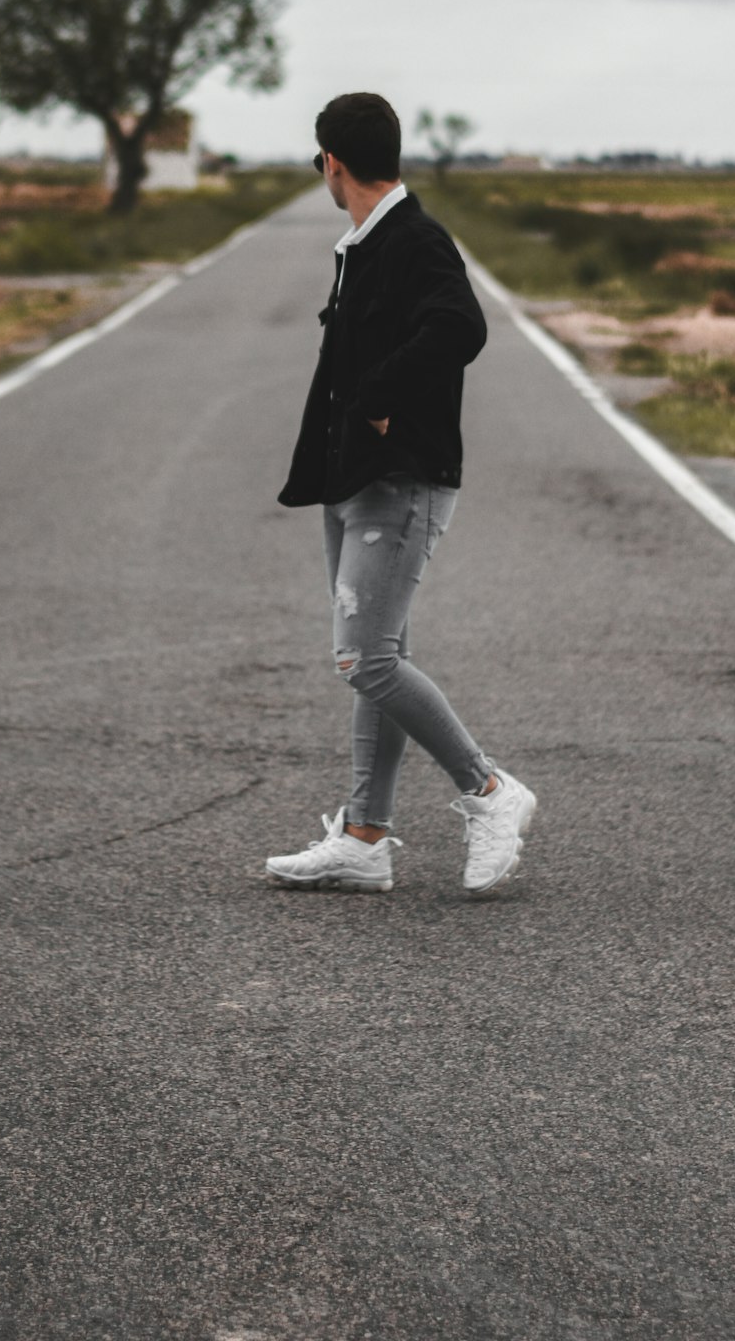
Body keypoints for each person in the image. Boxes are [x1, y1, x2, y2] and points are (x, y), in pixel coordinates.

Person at [266, 91, 536, 897]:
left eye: (321, 162)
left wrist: (380, 395)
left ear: (333, 163)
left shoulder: (414, 239)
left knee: (364, 658)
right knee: (378, 660)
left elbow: (461, 328)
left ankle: (490, 791)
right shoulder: (365, 243)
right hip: (354, 480)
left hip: (399, 482)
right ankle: (363, 838)